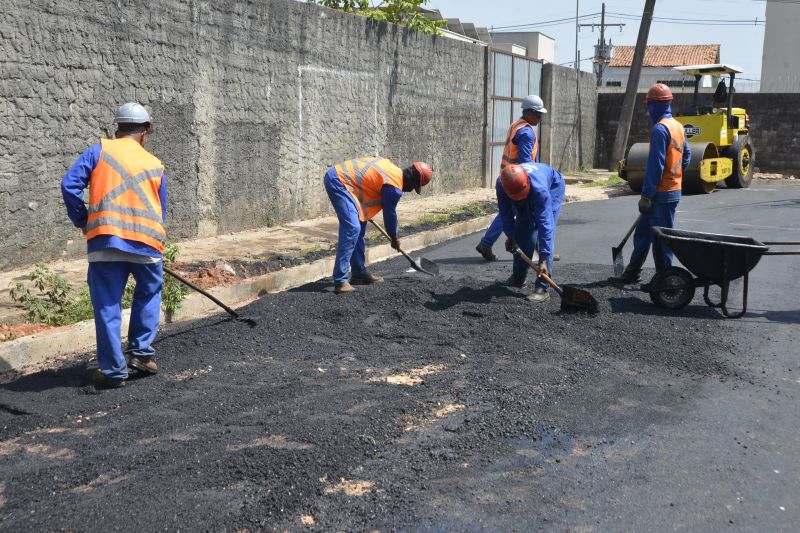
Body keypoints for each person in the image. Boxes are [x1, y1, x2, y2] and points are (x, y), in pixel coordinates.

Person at [61, 102, 167, 388]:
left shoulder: (99, 151)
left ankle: (112, 371)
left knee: (108, 306)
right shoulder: (155, 164)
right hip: (146, 245)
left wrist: (82, 219)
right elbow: (161, 210)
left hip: (105, 242)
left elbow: (69, 185)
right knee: (148, 294)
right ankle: (142, 355)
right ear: (145, 133)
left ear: (117, 128)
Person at [608, 83, 691, 286]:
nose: (648, 110)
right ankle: (632, 273)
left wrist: (647, 195)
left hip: (661, 194)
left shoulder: (661, 129)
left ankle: (665, 282)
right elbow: (687, 155)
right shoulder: (678, 127)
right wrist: (676, 175)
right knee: (643, 234)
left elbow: (656, 165)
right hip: (670, 190)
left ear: (655, 106)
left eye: (649, 105)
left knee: (661, 240)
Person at [324, 157, 432, 294]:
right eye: (414, 187)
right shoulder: (393, 187)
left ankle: (358, 273)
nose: (410, 190)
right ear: (413, 181)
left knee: (359, 228)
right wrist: (394, 237)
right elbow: (390, 215)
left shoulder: (393, 172)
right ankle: (340, 281)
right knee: (352, 228)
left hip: (349, 185)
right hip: (339, 181)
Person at [476, 94, 546, 262]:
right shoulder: (526, 133)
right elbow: (525, 163)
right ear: (528, 112)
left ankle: (487, 243)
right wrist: (533, 183)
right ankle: (535, 251)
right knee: (522, 213)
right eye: (538, 114)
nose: (540, 118)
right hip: (516, 181)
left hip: (508, 176)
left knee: (507, 212)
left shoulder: (517, 125)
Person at [497, 162, 565, 303]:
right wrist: (511, 237)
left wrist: (543, 258)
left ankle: (542, 287)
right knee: (522, 231)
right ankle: (518, 277)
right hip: (525, 190)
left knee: (544, 236)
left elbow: (545, 226)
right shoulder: (502, 184)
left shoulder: (540, 190)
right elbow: (505, 214)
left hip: (552, 188)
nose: (521, 199)